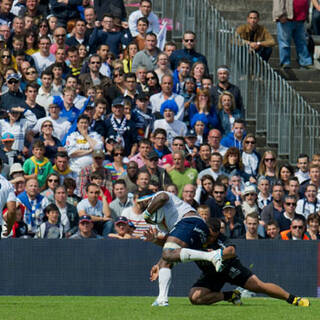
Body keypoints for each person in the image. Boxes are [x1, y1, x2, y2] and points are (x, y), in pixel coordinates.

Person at [187, 218, 310, 307]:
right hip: (211, 274)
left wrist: (213, 254)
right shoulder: (195, 239)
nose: (211, 239)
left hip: (230, 269)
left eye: (214, 236)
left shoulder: (221, 239)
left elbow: (231, 251)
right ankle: (230, 296)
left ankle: (294, 299)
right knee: (195, 298)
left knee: (259, 286)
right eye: (209, 236)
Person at [141, 190, 223, 307]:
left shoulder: (161, 195)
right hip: (197, 228)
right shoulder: (162, 224)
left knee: (168, 254)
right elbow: (172, 244)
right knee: (167, 261)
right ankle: (162, 299)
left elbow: (162, 197)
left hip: (189, 221)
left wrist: (146, 214)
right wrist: (158, 263)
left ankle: (211, 256)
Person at [273, 0, 313, 69]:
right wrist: (280, 14)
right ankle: (285, 63)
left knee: (302, 42)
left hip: (301, 18)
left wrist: (306, 16)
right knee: (284, 42)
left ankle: (305, 62)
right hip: (287, 17)